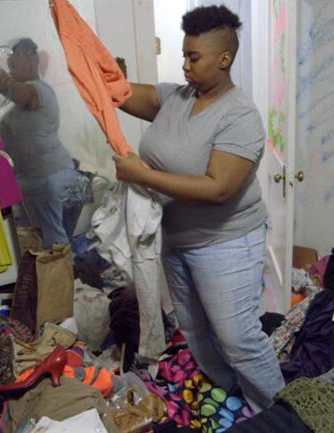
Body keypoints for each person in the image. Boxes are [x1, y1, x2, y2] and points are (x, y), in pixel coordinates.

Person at [113, 5, 285, 410]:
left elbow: (217, 188)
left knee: (239, 338)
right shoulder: (176, 97)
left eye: (194, 57)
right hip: (178, 240)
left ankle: (279, 414)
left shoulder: (240, 116)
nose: (185, 65)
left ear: (224, 60)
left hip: (226, 243)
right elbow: (119, 93)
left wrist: (142, 175)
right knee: (196, 332)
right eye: (184, 55)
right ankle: (234, 397)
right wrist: (103, 72)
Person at [0, 38, 76, 247]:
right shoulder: (13, 98)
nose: (10, 68)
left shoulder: (38, 90)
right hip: (28, 178)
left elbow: (18, 92)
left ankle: (61, 269)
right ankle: (50, 268)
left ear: (32, 60)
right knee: (37, 238)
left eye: (15, 63)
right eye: (9, 65)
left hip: (47, 175)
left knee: (51, 239)